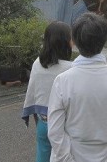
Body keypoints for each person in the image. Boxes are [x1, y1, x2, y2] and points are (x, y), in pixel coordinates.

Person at [48, 12, 107, 162]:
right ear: (103, 40)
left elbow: (55, 132)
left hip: (69, 155)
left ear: (73, 41)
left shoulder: (62, 81)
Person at [22, 21, 73, 162]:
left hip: (43, 123)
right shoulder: (72, 69)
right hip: (65, 127)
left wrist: (39, 121)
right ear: (66, 42)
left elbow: (33, 93)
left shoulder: (38, 63)